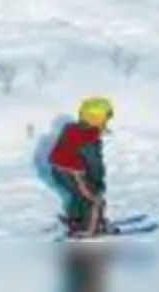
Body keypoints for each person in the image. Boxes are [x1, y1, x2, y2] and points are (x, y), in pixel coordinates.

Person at [48, 97, 113, 237]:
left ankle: (76, 219)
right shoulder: (88, 139)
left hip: (58, 169)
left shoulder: (73, 129)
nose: (106, 122)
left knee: (78, 194)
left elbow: (68, 147)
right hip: (73, 173)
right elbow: (94, 164)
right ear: (96, 119)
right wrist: (98, 182)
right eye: (105, 119)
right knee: (93, 197)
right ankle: (88, 227)